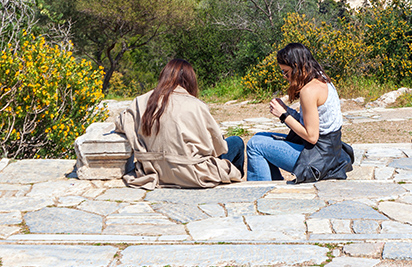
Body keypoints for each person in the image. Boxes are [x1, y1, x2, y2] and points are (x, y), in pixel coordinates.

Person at [116, 58, 244, 189]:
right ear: (190, 80)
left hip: (153, 170)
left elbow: (120, 123)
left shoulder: (141, 101)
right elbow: (218, 147)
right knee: (236, 142)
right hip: (192, 173)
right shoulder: (196, 105)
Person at [246, 43, 353, 182]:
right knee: (260, 137)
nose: (285, 76)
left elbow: (312, 136)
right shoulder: (323, 80)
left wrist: (283, 115)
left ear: (297, 66)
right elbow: (313, 122)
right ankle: (273, 185)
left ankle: (260, 192)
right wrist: (287, 110)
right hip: (330, 153)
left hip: (318, 160)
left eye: (286, 72)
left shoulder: (309, 91)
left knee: (255, 145)